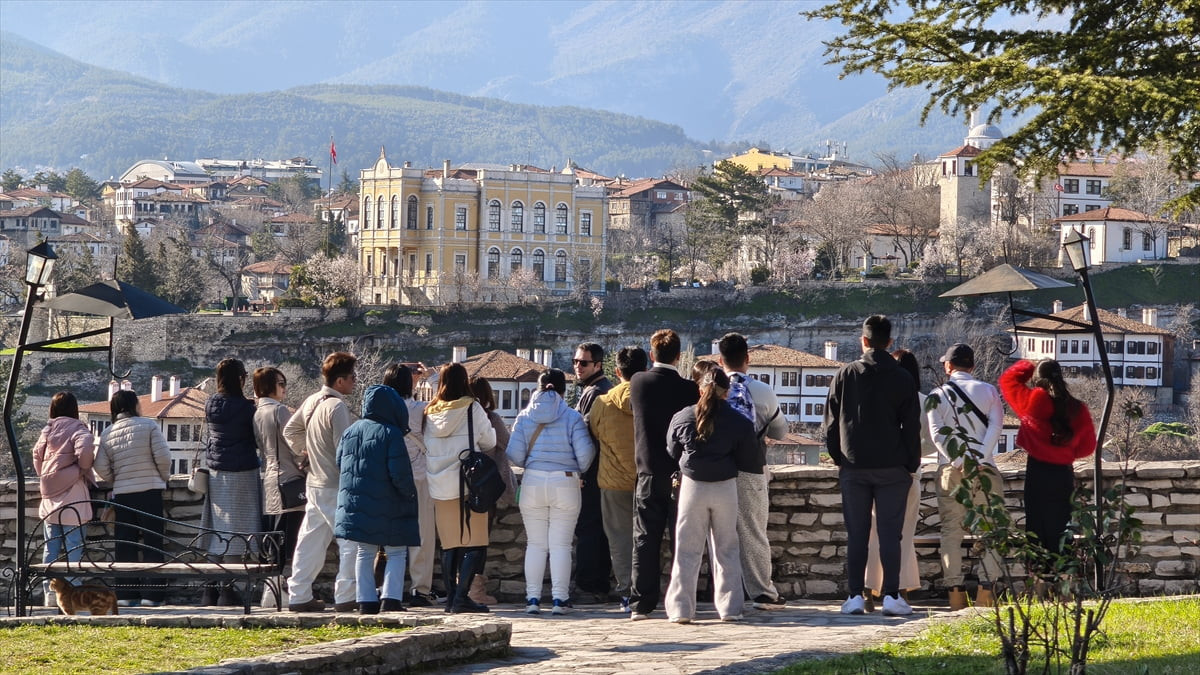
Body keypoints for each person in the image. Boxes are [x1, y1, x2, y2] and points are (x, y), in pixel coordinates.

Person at [822, 315, 921, 616]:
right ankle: (891, 595)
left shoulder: (845, 374)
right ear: (889, 342)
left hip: (854, 466)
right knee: (891, 534)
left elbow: (828, 425)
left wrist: (841, 459)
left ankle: (854, 595)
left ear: (863, 341)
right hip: (893, 468)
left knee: (858, 533)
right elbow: (911, 427)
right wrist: (910, 465)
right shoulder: (903, 378)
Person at [664, 369, 758, 623]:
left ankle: (681, 609)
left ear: (700, 389)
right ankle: (730, 608)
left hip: (692, 486)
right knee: (726, 547)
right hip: (725, 486)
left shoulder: (683, 416)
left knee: (686, 549)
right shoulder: (739, 422)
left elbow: (671, 450)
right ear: (727, 393)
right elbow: (749, 459)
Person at [507, 368, 596, 615]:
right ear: (563, 390)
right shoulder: (572, 417)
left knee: (535, 544)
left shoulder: (524, 417)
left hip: (533, 481)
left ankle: (532, 599)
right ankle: (559, 599)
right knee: (561, 545)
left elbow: (513, 454)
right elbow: (586, 455)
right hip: (565, 482)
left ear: (537, 387)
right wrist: (573, 468)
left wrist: (532, 463)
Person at [925, 343, 1007, 609]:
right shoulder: (989, 391)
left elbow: (937, 433)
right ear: (972, 366)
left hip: (951, 469)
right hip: (985, 468)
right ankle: (986, 591)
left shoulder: (936, 395)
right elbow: (996, 426)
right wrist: (980, 458)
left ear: (948, 366)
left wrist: (959, 459)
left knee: (951, 531)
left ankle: (955, 593)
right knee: (990, 530)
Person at [628, 329, 700, 620]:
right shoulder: (689, 389)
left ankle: (641, 604)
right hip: (679, 473)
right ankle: (679, 602)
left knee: (645, 539)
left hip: (646, 471)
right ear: (680, 356)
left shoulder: (638, 382)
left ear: (651, 354)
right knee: (681, 540)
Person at [716, 333, 789, 610]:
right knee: (753, 531)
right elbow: (780, 431)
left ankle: (723, 592)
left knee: (716, 533)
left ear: (720, 360)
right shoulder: (762, 391)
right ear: (748, 359)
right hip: (751, 467)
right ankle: (762, 592)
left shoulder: (711, 389)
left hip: (716, 469)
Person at [999, 358, 1095, 566]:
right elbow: (1088, 447)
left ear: (1038, 380)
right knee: (1062, 525)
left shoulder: (1031, 402)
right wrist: (1067, 451)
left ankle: (1039, 576)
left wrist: (1029, 365)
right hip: (1063, 474)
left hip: (1038, 472)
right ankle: (1063, 574)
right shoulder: (1077, 408)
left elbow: (1008, 380)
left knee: (1037, 525)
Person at [284, 351, 359, 613]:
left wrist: (307, 451)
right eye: (352, 377)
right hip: (335, 483)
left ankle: (299, 594)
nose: (355, 382)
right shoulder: (337, 407)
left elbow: (290, 431)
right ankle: (346, 595)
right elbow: (344, 450)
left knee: (310, 541)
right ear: (340, 381)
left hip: (314, 482)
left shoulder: (313, 401)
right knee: (350, 542)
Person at [334, 384, 419, 614]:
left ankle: (366, 601)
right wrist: (409, 494)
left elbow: (340, 463)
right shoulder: (391, 433)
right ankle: (391, 599)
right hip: (389, 501)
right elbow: (399, 473)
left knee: (364, 550)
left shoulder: (351, 430)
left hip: (357, 502)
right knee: (397, 550)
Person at [422, 362, 497, 614]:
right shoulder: (471, 407)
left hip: (439, 485)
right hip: (466, 483)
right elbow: (489, 441)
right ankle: (461, 597)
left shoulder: (429, 411)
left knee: (449, 543)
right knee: (474, 542)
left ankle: (451, 597)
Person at [864, 349, 932, 606]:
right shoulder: (924, 400)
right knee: (904, 532)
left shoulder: (879, 396)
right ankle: (900, 589)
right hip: (910, 471)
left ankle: (870, 588)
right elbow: (931, 444)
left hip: (879, 468)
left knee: (874, 532)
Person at [94, 388, 172, 607]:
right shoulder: (148, 425)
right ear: (134, 405)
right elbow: (163, 457)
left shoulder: (108, 432)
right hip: (149, 491)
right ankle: (152, 595)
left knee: (125, 543)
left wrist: (115, 479)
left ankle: (126, 594)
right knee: (153, 542)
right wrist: (162, 477)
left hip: (123, 494)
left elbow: (100, 466)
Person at [586, 346, 648, 613]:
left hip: (612, 481)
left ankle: (626, 591)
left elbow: (595, 433)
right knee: (647, 537)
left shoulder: (602, 402)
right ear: (644, 370)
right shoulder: (650, 400)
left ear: (617, 371)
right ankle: (647, 588)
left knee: (620, 540)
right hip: (646, 477)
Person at [201, 358, 263, 606]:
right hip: (242, 472)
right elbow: (256, 439)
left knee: (217, 532)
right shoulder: (246, 408)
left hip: (216, 472)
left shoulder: (211, 404)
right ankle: (228, 590)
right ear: (240, 379)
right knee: (238, 534)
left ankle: (209, 590)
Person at [382, 364, 438, 606]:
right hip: (418, 474)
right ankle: (420, 588)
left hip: (389, 476)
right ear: (409, 383)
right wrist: (432, 377)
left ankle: (387, 588)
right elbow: (444, 403)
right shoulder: (418, 409)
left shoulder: (380, 410)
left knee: (389, 535)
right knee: (422, 534)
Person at [33, 391, 95, 607]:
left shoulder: (48, 429)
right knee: (74, 548)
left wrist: (48, 476)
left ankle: (50, 595)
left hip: (50, 497)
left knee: (50, 548)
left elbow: (36, 454)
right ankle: (72, 595)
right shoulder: (78, 428)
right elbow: (86, 447)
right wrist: (81, 468)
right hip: (73, 496)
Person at [252, 366, 303, 607]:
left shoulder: (257, 413)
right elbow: (294, 444)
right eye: (281, 383)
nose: (284, 388)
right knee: (289, 540)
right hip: (289, 479)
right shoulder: (279, 411)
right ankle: (281, 591)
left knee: (275, 538)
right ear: (270, 386)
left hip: (270, 478)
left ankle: (270, 593)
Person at [467, 375, 517, 605]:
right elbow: (508, 446)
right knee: (479, 540)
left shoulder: (461, 417)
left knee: (460, 539)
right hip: (485, 486)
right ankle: (475, 590)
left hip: (460, 484)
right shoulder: (491, 419)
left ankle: (460, 587)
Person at [571, 342, 614, 603]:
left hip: (593, 472)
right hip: (601, 472)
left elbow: (586, 437)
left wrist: (581, 471)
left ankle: (589, 585)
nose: (577, 366)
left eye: (583, 363)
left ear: (597, 365)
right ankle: (597, 585)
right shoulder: (597, 389)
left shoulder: (595, 392)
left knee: (589, 529)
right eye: (576, 362)